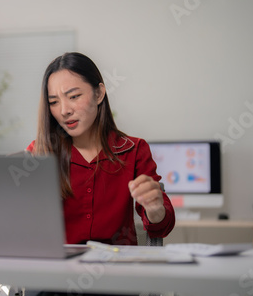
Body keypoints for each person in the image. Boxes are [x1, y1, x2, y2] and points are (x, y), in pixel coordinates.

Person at [26, 52, 175, 246]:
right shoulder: (40, 152)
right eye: (54, 102)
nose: (64, 111)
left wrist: (155, 208)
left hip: (117, 267)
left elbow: (162, 226)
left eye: (74, 96)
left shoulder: (133, 150)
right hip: (58, 267)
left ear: (99, 94)